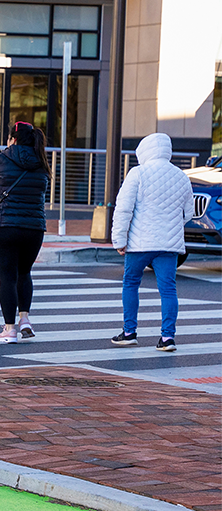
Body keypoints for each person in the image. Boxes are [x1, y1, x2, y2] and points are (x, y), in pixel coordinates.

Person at [110, 133, 194, 352]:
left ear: (143, 151)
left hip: (140, 244)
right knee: (168, 290)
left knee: (131, 283)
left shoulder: (137, 173)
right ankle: (168, 338)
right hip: (169, 245)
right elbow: (189, 214)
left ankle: (129, 333)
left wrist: (119, 238)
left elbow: (124, 209)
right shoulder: (181, 176)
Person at [0, 121, 51, 344]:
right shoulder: (41, 161)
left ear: (12, 138)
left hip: (4, 226)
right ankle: (25, 320)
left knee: (7, 277)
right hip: (34, 228)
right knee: (24, 273)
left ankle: (9, 329)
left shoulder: (2, 157)